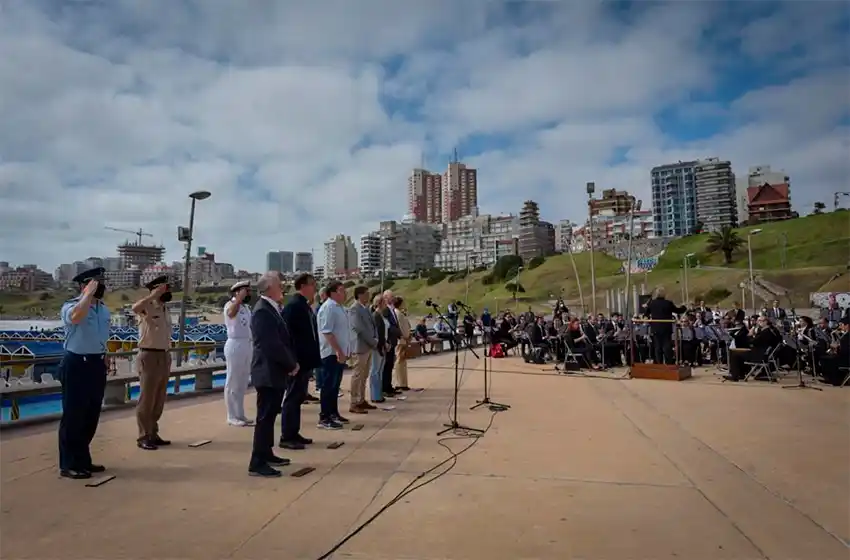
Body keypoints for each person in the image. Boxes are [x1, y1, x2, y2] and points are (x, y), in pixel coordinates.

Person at [57, 267, 111, 479]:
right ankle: (68, 463)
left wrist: (104, 353)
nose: (100, 286)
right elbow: (76, 317)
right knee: (73, 415)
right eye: (95, 282)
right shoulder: (71, 306)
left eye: (101, 282)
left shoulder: (103, 309)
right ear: (83, 285)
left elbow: (101, 334)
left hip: (96, 363)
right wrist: (87, 294)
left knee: (91, 414)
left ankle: (83, 458)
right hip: (77, 363)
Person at [248, 272, 297, 478]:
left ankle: (267, 453)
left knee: (270, 416)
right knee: (265, 417)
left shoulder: (271, 309)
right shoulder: (262, 311)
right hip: (267, 371)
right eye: (279, 284)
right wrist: (290, 363)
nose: (283, 288)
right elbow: (270, 344)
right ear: (269, 288)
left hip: (274, 372)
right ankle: (257, 461)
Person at [279, 273, 321, 449]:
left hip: (305, 361)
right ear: (303, 286)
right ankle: (286, 436)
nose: (315, 288)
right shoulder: (294, 307)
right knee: (292, 398)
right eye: (312, 285)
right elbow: (287, 336)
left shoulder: (304, 306)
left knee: (298, 398)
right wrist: (292, 361)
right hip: (297, 362)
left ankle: (294, 432)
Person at [131, 275, 174, 450]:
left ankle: (153, 432)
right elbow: (135, 308)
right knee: (147, 398)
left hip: (164, 355)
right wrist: (152, 296)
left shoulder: (165, 309)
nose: (168, 291)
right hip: (149, 355)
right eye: (165, 288)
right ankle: (143, 435)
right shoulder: (147, 306)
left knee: (159, 398)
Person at [316, 281, 351, 430]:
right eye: (342, 291)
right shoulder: (329, 307)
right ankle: (324, 416)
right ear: (334, 292)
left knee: (335, 385)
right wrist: (338, 350)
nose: (345, 293)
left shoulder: (339, 308)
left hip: (340, 352)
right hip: (330, 352)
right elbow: (327, 331)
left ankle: (333, 412)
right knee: (328, 385)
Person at [223, 280, 254, 427]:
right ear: (237, 292)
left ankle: (240, 413)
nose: (249, 293)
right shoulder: (231, 304)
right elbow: (230, 314)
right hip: (234, 344)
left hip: (247, 343)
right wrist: (239, 300)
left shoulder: (246, 307)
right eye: (246, 291)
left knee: (242, 382)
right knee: (232, 380)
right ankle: (231, 415)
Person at [347, 285, 378, 414]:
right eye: (366, 293)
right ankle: (353, 402)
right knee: (357, 375)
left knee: (364, 375)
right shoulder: (354, 309)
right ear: (359, 295)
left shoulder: (365, 308)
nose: (368, 296)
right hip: (360, 347)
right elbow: (359, 329)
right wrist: (373, 341)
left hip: (368, 346)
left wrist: (375, 338)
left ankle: (361, 399)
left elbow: (372, 326)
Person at [644, 286, 687, 364]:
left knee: (658, 347)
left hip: (656, 328)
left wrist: (649, 320)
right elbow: (678, 310)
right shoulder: (668, 303)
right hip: (666, 328)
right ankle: (668, 363)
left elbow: (646, 314)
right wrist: (684, 307)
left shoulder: (652, 303)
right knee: (666, 346)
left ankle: (659, 363)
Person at [381, 290, 402, 397]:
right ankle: (384, 388)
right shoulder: (385, 310)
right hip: (388, 341)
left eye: (393, 296)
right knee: (386, 365)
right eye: (391, 296)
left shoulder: (392, 309)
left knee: (390, 365)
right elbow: (387, 326)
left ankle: (389, 386)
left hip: (393, 341)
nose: (393, 298)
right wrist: (398, 332)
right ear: (385, 298)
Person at [370, 294, 389, 404]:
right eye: (384, 302)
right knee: (375, 370)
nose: (386, 304)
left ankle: (378, 394)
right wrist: (382, 344)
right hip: (378, 346)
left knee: (379, 371)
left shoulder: (381, 315)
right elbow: (378, 333)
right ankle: (375, 395)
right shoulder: (376, 316)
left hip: (383, 344)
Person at [393, 297, 412, 391]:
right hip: (401, 340)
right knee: (400, 361)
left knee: (403, 361)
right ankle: (400, 383)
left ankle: (403, 382)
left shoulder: (400, 313)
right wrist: (406, 336)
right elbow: (401, 327)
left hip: (404, 340)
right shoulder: (397, 313)